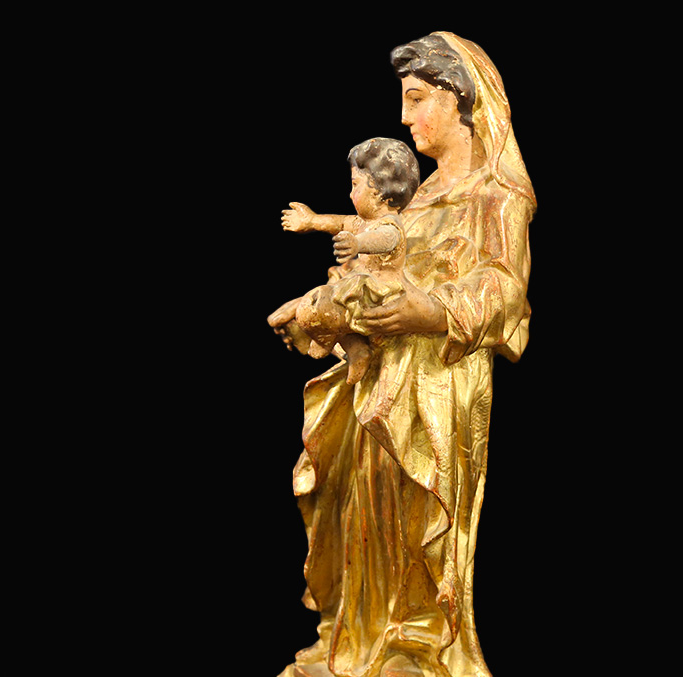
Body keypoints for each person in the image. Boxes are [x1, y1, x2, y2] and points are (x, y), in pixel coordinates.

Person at [269, 31, 535, 677]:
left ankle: (418, 649)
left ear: (460, 100)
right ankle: (359, 641)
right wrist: (328, 316)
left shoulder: (496, 195)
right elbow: (379, 270)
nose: (404, 116)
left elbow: (505, 289)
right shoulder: (421, 196)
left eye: (416, 99)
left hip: (438, 387)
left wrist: (432, 311)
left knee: (420, 519)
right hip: (378, 384)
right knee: (363, 514)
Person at [279, 137, 421, 385]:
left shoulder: (390, 225)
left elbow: (385, 239)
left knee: (317, 308)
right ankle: (355, 350)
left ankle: (328, 339)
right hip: (361, 286)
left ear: (381, 193)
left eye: (356, 185)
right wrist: (311, 221)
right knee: (325, 308)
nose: (350, 192)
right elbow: (340, 222)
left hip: (380, 292)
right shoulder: (365, 221)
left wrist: (358, 243)